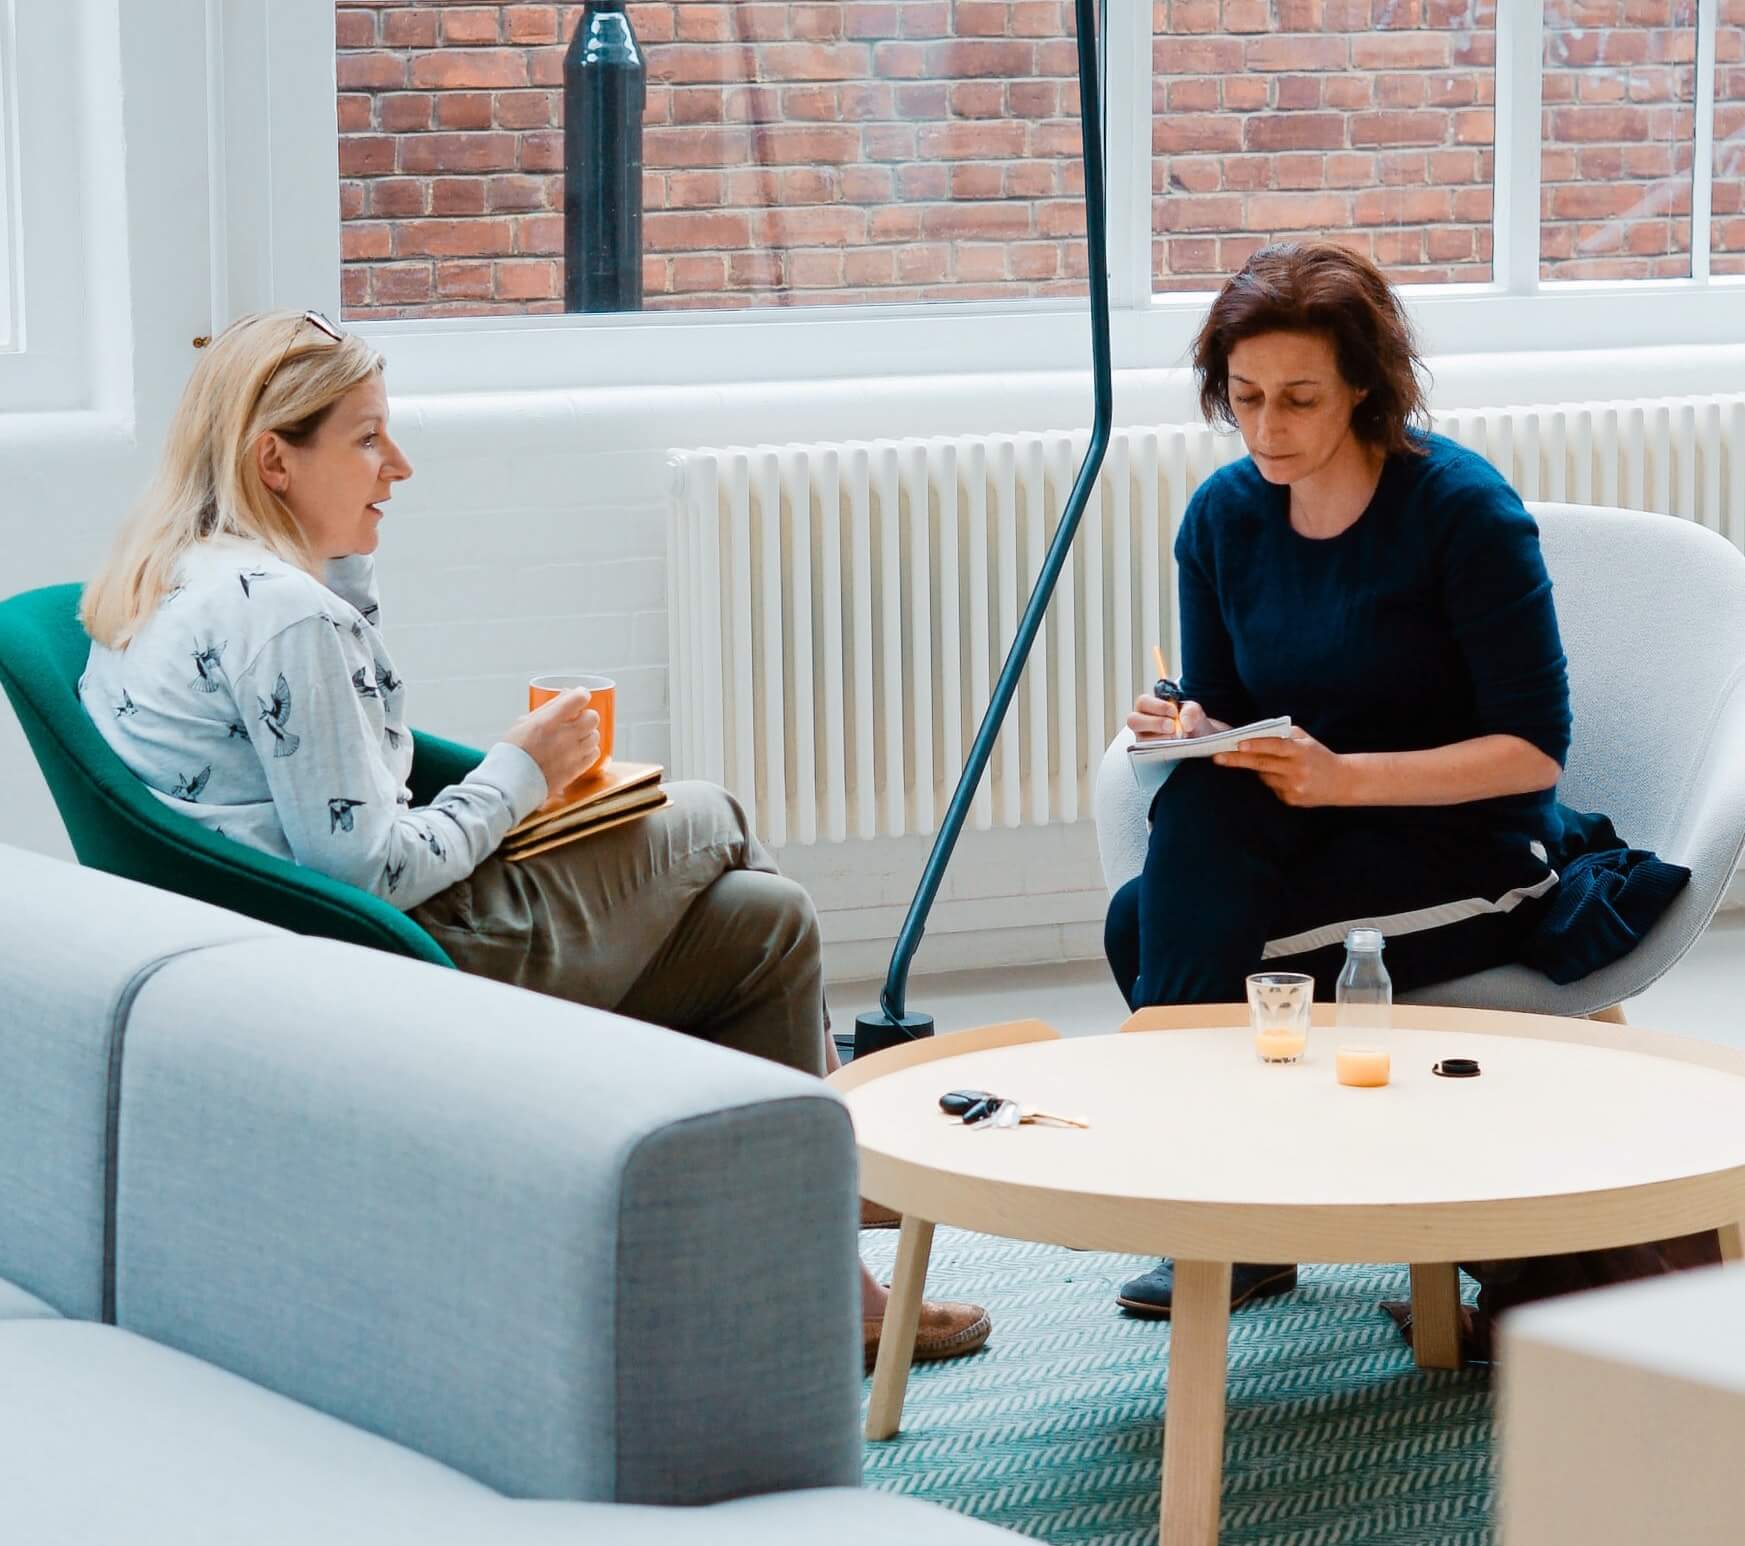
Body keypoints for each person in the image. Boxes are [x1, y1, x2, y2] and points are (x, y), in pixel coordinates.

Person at [78, 308, 988, 1375]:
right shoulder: (287, 620)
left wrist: (354, 580)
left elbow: (342, 784)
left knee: (766, 924)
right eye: (368, 438)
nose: (399, 465)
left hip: (305, 953)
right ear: (274, 458)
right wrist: (522, 771)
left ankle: (828, 1275)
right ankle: (835, 1160)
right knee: (713, 813)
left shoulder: (191, 576)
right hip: (399, 960)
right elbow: (363, 867)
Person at [1103, 242, 1578, 1326]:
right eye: (1245, 397)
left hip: (1470, 847)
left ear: (1363, 385)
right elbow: (1224, 711)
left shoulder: (1459, 512)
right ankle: (1229, 1207)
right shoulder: (1223, 516)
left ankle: (1210, 1203)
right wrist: (1185, 723)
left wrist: (1339, 778)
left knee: (1148, 931)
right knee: (1168, 871)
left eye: (1298, 398)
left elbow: (1533, 750)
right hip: (1311, 830)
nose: (1267, 428)